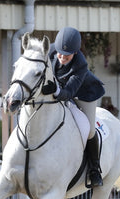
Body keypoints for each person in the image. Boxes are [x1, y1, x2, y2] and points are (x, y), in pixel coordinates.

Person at [42, 26, 105, 187]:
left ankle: (94, 169)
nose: (62, 57)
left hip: (85, 94)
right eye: (60, 54)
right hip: (62, 90)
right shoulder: (50, 52)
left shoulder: (81, 64)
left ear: (75, 52)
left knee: (89, 130)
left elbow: (69, 92)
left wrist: (55, 89)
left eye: (67, 55)